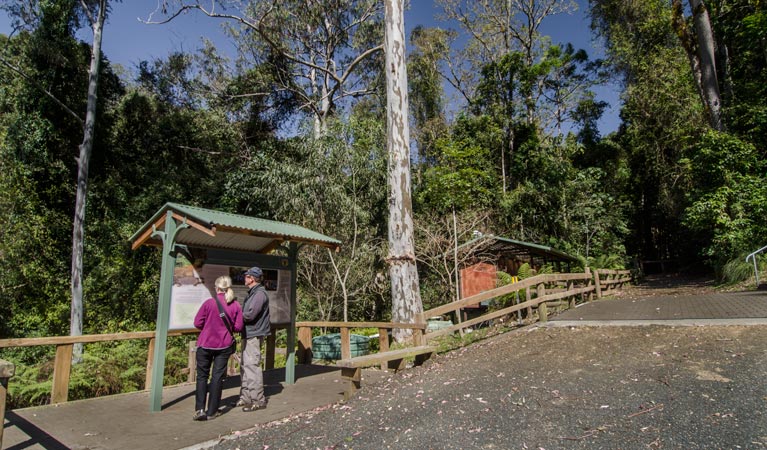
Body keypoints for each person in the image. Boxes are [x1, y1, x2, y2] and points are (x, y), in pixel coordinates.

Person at [192, 275, 244, 421]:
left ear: (216, 288)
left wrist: (208, 326)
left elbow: (197, 323)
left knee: (202, 376)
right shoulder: (235, 305)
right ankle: (212, 411)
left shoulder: (209, 303)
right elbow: (238, 326)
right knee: (217, 377)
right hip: (224, 345)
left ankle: (200, 410)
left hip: (205, 343)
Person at [238, 266, 271, 412]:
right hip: (249, 333)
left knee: (252, 366)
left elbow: (250, 315)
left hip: (254, 334)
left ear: (252, 278)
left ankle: (258, 400)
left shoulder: (259, 294)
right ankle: (246, 397)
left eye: (246, 276)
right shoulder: (253, 293)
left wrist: (235, 316)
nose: (244, 278)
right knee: (245, 366)